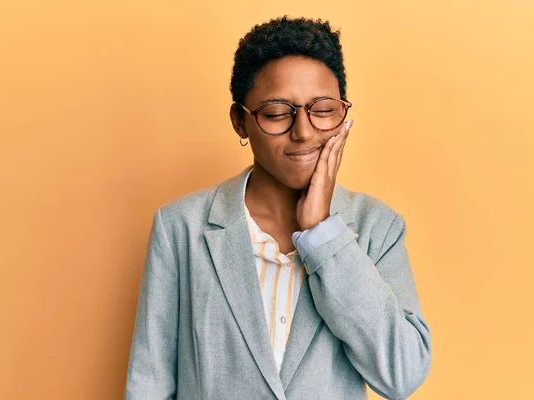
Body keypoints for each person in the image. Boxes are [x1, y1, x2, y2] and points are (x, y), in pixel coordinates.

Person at [124, 16, 431, 400]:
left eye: (323, 109)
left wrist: (324, 235)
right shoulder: (180, 228)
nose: (303, 131)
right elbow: (148, 385)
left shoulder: (377, 227)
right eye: (276, 113)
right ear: (240, 121)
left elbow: (402, 374)